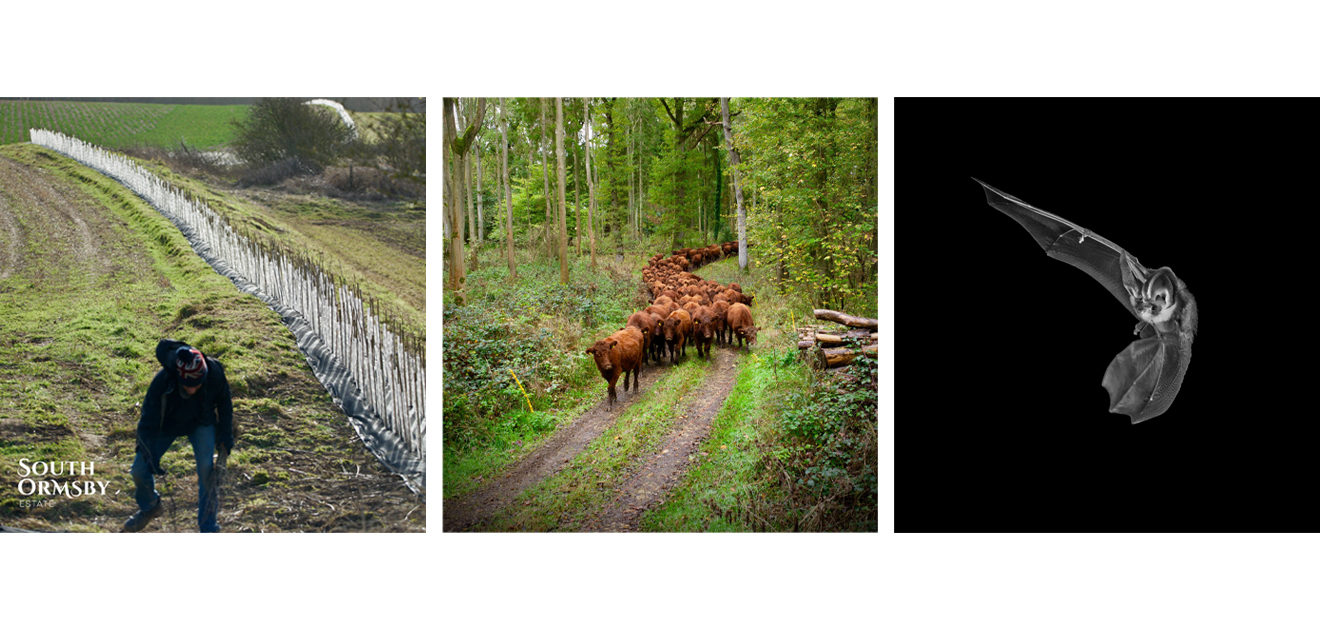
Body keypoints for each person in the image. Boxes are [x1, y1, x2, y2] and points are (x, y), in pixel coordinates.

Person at [123, 339, 235, 532]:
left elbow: (225, 407)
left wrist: (225, 438)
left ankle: (208, 527)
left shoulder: (215, 373)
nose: (191, 389)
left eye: (196, 385)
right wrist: (146, 450)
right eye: (187, 385)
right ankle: (150, 506)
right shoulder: (163, 381)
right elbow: (148, 417)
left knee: (207, 471)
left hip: (202, 421)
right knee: (139, 470)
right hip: (168, 425)